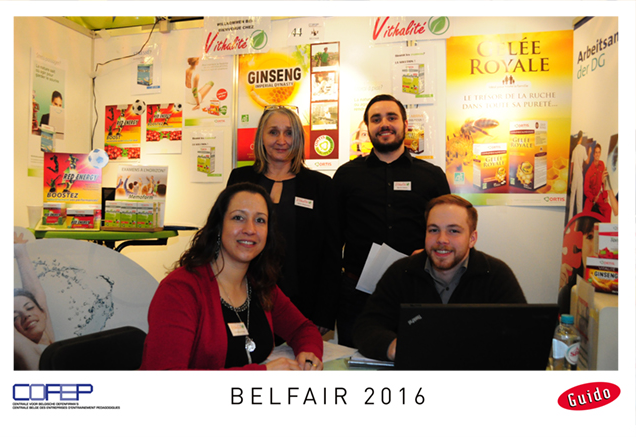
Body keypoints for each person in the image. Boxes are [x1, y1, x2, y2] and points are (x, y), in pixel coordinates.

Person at [140, 182, 324, 370]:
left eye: (260, 220)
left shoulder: (261, 285)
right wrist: (263, 373)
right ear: (218, 226)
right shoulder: (179, 290)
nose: (250, 229)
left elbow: (303, 329)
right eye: (238, 218)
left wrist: (308, 353)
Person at [333, 94, 450, 347]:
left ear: (405, 124)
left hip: (416, 289)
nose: (384, 124)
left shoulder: (431, 176)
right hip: (356, 294)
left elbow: (447, 232)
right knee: (355, 360)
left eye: (391, 117)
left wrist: (429, 252)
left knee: (418, 356)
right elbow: (332, 238)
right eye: (376, 119)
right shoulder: (346, 175)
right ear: (367, 127)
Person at [353, 194, 527, 361]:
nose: (441, 239)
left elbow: (522, 334)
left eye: (453, 231)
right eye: (434, 230)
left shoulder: (496, 274)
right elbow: (367, 326)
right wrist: (393, 347)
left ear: (472, 238)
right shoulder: (401, 272)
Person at [227, 107, 340, 336]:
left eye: (289, 133)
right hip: (244, 295)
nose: (281, 140)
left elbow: (331, 252)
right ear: (261, 136)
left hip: (302, 300)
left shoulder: (321, 185)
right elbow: (225, 236)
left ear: (298, 138)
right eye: (273, 132)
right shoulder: (240, 178)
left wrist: (325, 311)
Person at [14, 232, 55, 370]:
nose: (26, 315)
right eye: (15, 317)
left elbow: (37, 293)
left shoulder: (49, 340)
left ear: (43, 313)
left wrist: (20, 252)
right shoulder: (27, 350)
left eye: (30, 308)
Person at [583, 144, 611, 222]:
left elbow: (604, 182)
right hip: (591, 197)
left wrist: (605, 196)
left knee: (608, 209)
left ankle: (606, 228)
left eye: (599, 152)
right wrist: (592, 197)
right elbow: (586, 190)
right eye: (596, 152)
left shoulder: (602, 164)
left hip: (600, 196)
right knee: (585, 214)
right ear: (593, 154)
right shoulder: (589, 172)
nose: (597, 154)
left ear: (600, 153)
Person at [567, 131, 590, 222]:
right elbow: (587, 161)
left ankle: (570, 219)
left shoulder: (574, 150)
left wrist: (570, 179)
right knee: (579, 199)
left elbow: (571, 166)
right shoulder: (583, 149)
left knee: (572, 198)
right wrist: (589, 152)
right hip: (579, 175)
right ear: (581, 138)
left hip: (574, 175)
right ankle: (579, 220)